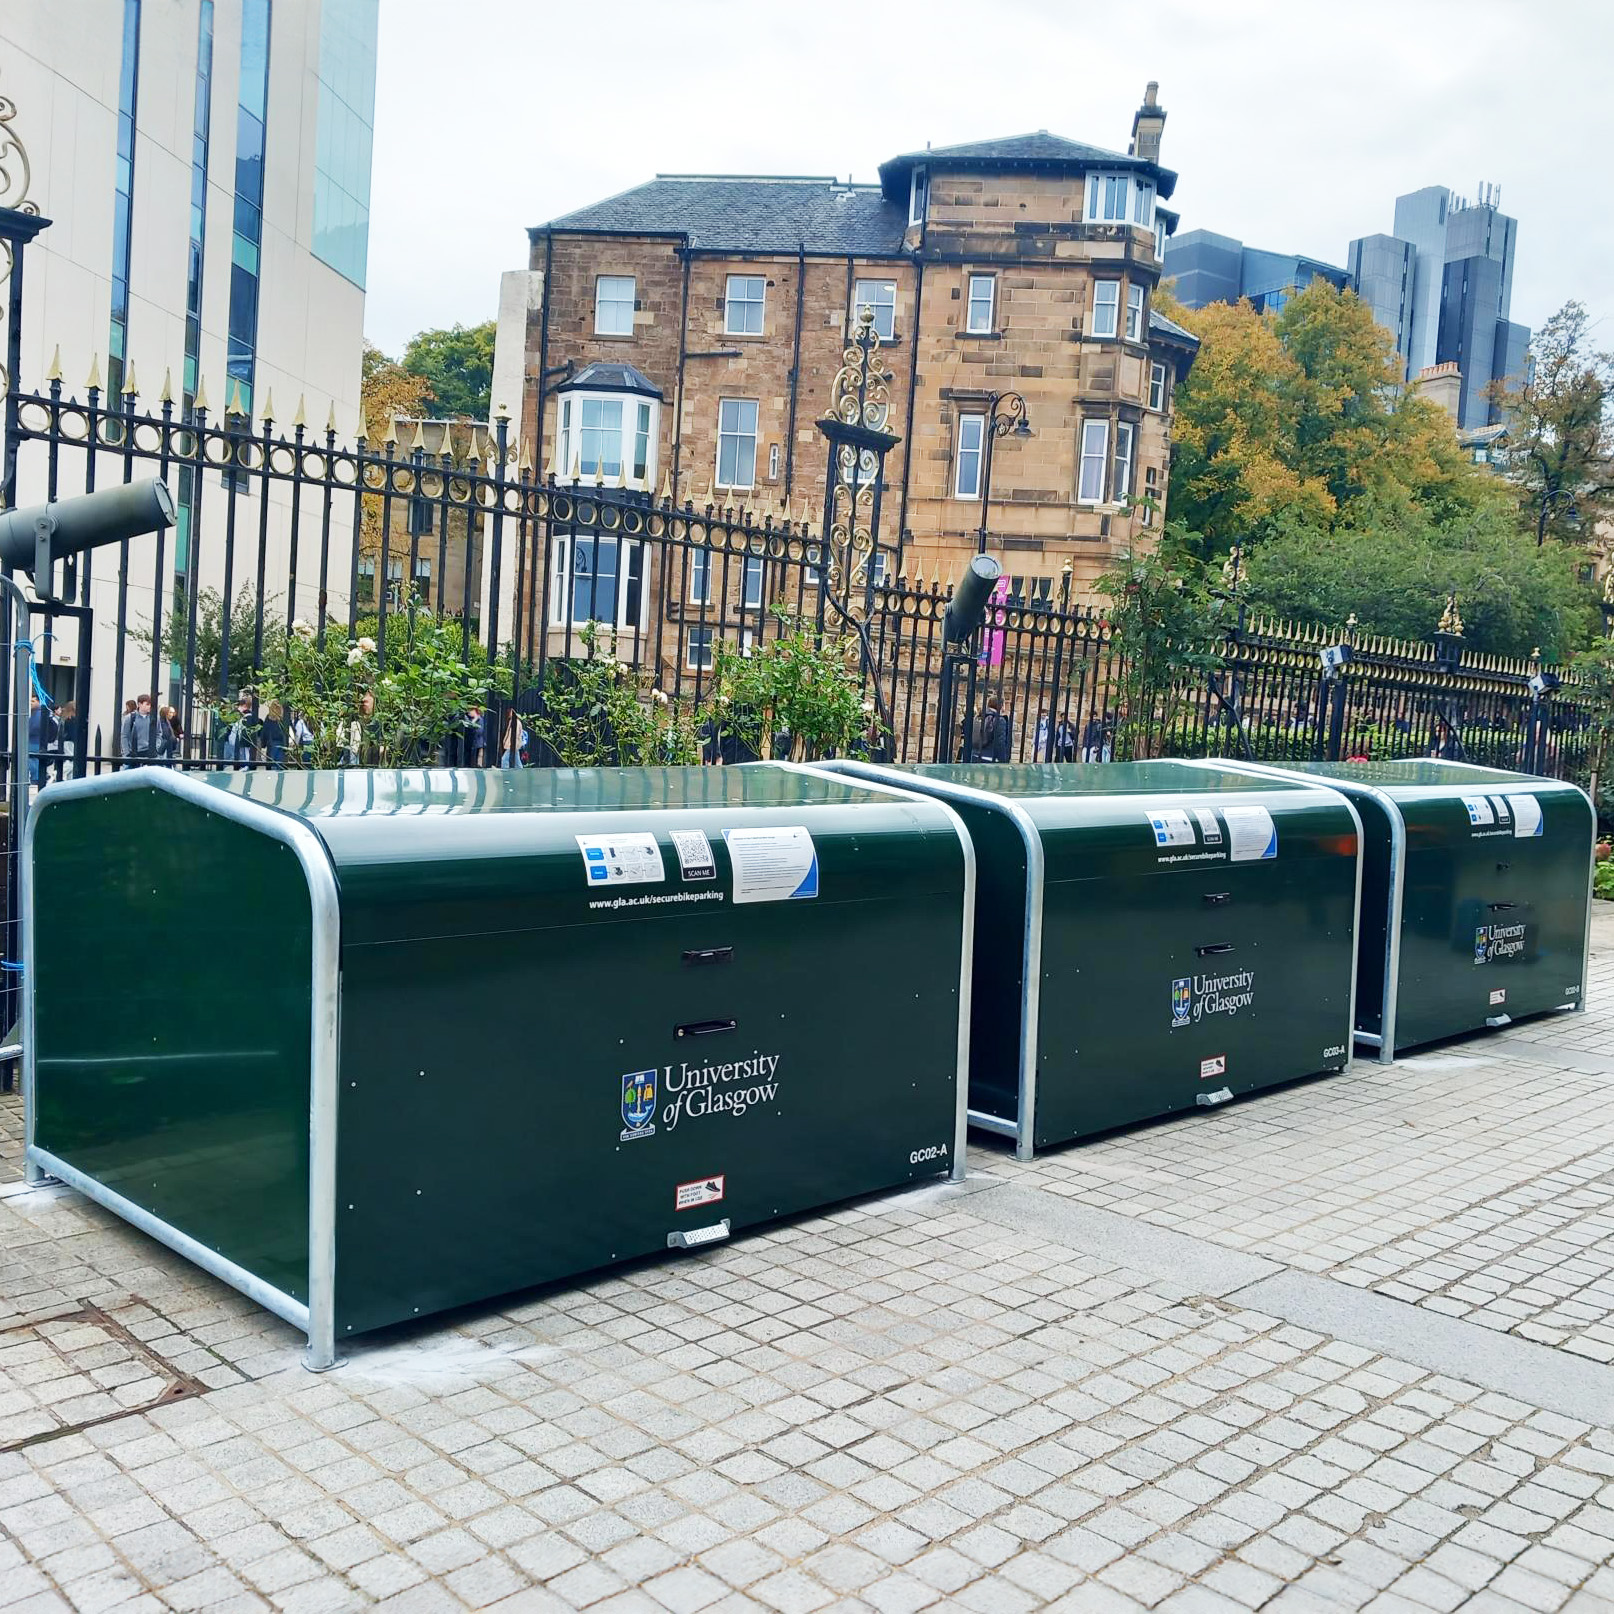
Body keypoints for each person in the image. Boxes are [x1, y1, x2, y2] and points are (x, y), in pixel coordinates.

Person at [120, 692, 169, 767]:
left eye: (150, 704)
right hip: (134, 752)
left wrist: (155, 747)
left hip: (150, 751)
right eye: (147, 704)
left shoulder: (155, 718)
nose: (149, 706)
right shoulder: (130, 718)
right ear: (139, 704)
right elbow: (124, 736)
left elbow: (159, 733)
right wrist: (126, 753)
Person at [27, 695, 58, 786]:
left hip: (35, 741)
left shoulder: (39, 713)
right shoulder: (37, 712)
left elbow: (34, 727)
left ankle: (37, 778)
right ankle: (42, 776)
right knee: (34, 760)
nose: (30, 703)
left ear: (38, 702)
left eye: (33, 701)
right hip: (35, 741)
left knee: (33, 760)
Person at [221, 693, 258, 768]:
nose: (238, 707)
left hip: (239, 745)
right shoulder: (238, 715)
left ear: (244, 706)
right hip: (233, 744)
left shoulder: (248, 717)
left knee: (239, 765)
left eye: (240, 705)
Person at [972, 695, 1011, 763]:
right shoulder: (999, 720)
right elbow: (1000, 743)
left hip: (974, 756)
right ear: (1001, 705)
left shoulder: (978, 717)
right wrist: (1003, 761)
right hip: (990, 759)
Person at [258, 700, 288, 768]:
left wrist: (263, 744)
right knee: (280, 765)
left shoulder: (269, 718)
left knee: (271, 765)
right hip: (281, 744)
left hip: (271, 744)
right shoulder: (283, 718)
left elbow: (265, 732)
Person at [500, 704, 528, 769]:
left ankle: (505, 771)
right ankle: (520, 771)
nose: (508, 713)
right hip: (513, 744)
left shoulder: (516, 722)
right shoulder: (512, 721)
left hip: (513, 744)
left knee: (504, 759)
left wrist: (511, 743)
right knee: (517, 760)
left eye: (510, 711)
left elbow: (516, 735)